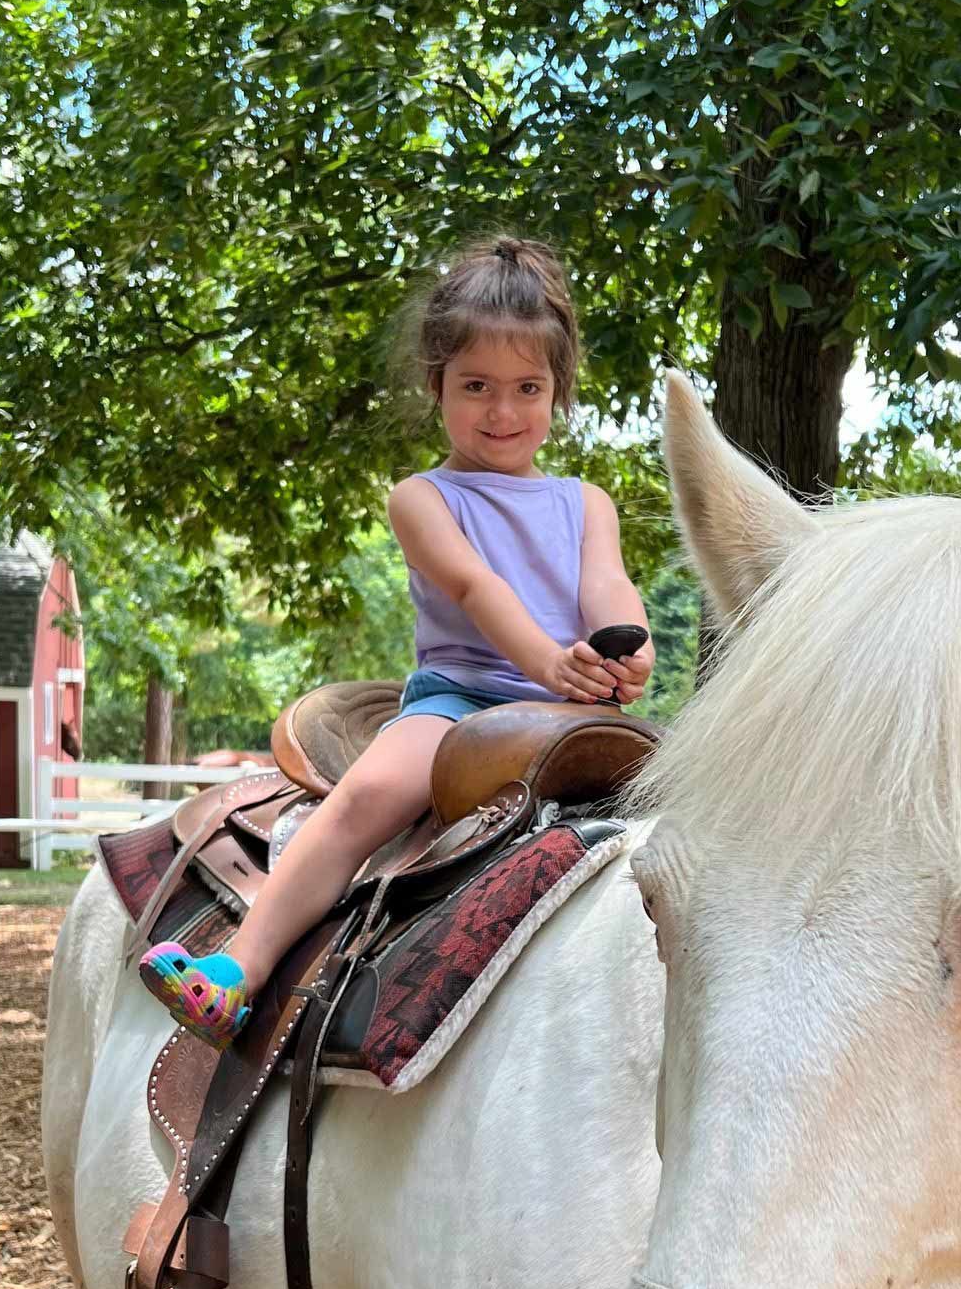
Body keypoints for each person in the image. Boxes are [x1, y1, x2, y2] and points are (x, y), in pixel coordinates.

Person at [138, 236, 653, 1046]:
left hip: (566, 704)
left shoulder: (587, 502)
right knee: (370, 799)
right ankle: (241, 964)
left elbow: (608, 588)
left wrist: (627, 646)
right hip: (462, 700)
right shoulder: (423, 497)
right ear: (436, 387)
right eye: (476, 386)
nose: (503, 412)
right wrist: (548, 661)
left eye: (528, 387)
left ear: (559, 393)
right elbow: (475, 589)